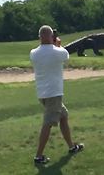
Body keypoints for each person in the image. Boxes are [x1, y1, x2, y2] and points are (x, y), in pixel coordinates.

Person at [30, 25, 84, 164]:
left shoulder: (33, 53)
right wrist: (58, 45)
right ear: (51, 37)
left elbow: (46, 52)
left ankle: (72, 146)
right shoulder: (57, 51)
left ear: (39, 37)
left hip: (42, 93)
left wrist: (54, 44)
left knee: (64, 117)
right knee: (48, 123)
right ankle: (38, 156)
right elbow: (65, 55)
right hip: (54, 93)